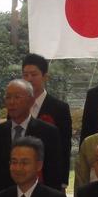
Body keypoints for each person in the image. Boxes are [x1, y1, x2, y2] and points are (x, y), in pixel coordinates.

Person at [0, 79, 62, 197]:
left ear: (31, 101)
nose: (11, 102)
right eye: (8, 97)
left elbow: (53, 173)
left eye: (17, 97)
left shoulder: (48, 132)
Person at [22, 53, 72, 188]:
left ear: (45, 77)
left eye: (34, 74)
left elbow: (65, 145)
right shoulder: (18, 107)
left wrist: (63, 180)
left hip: (50, 174)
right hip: (22, 174)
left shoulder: (60, 108)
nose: (29, 79)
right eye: (25, 75)